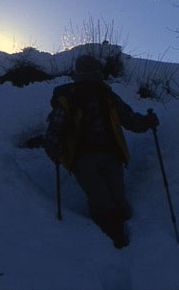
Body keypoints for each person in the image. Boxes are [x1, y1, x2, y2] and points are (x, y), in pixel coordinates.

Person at [43, 55, 159, 249]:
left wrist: (146, 122)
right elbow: (130, 120)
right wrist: (147, 122)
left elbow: (128, 119)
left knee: (115, 198)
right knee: (102, 199)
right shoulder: (75, 97)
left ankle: (116, 234)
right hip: (86, 157)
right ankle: (111, 240)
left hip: (106, 156)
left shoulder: (105, 96)